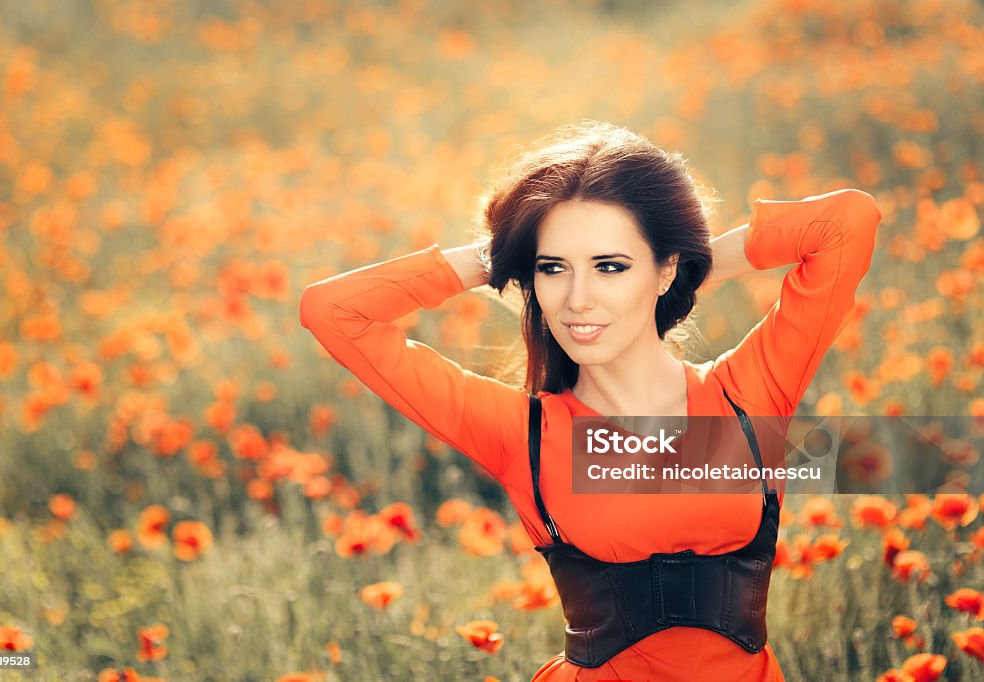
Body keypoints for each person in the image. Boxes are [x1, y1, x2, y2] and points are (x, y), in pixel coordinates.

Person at [299, 120, 882, 681]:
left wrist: (688, 267)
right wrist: (503, 254)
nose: (578, 299)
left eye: (610, 266)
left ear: (662, 269)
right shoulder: (519, 434)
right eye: (554, 268)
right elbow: (334, 312)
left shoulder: (748, 397)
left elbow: (846, 222)